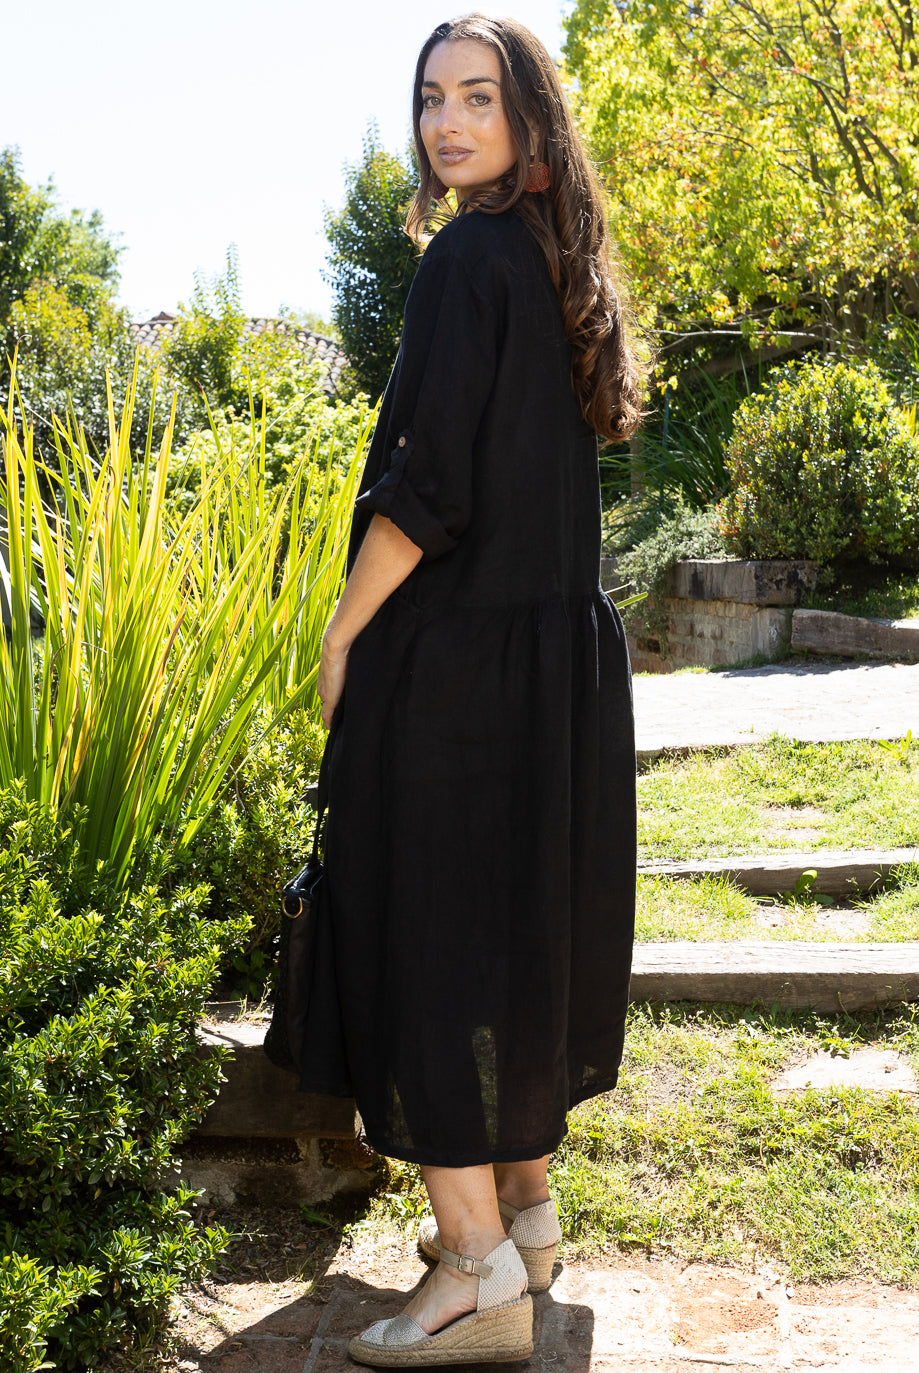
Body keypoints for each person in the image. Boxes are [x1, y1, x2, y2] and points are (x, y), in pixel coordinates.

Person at [312, 12, 646, 1366]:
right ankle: (529, 1211)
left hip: (454, 670)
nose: (448, 124)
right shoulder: (554, 262)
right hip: (550, 673)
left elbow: (431, 487)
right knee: (513, 933)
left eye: (477, 98)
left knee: (426, 943)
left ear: (527, 118)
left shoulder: (465, 259)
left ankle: (474, 1266)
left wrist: (343, 632)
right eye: (431, 98)